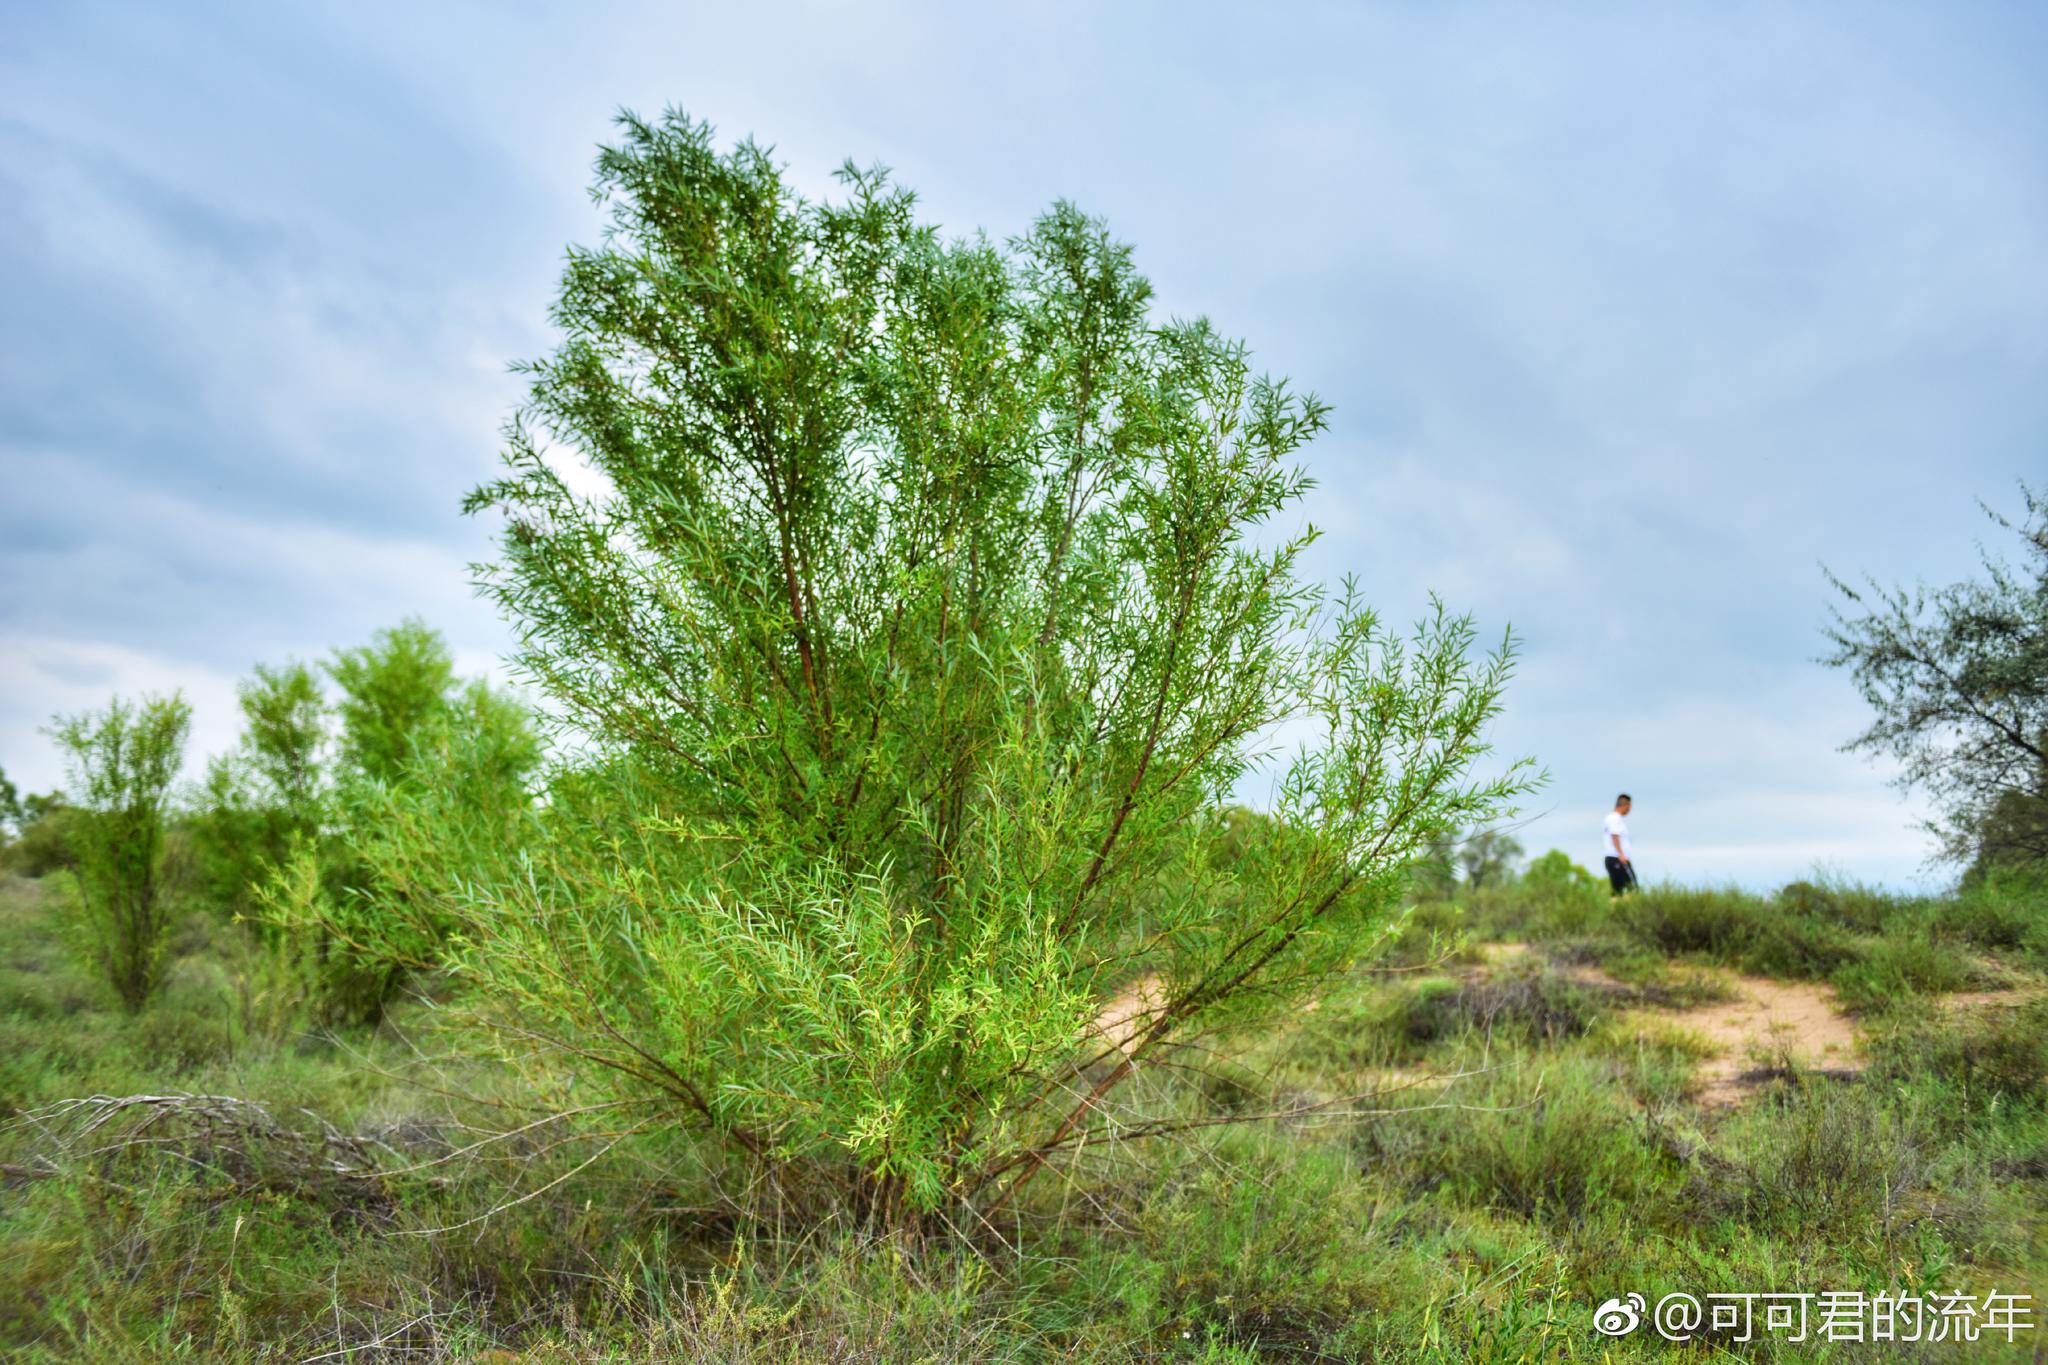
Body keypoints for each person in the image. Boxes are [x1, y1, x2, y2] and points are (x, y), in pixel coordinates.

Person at [1602, 793, 1637, 895]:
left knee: (1618, 891)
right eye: (1629, 806)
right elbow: (1615, 835)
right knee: (1632, 888)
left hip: (1615, 859)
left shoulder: (1614, 818)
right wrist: (1621, 854)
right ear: (1625, 805)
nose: (1629, 809)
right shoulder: (1614, 818)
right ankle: (1630, 909)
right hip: (1617, 858)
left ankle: (1616, 909)